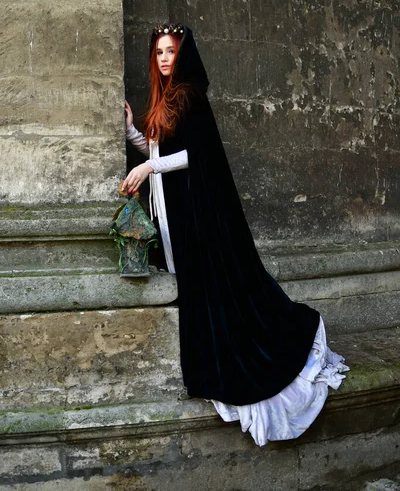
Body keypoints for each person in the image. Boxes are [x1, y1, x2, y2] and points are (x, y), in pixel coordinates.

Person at [123, 23, 348, 447]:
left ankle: (269, 350)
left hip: (196, 217)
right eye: (159, 53)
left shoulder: (189, 96)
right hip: (176, 214)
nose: (165, 58)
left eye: (171, 51)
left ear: (183, 54)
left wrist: (149, 167)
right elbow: (159, 153)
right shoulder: (165, 99)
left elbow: (196, 155)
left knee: (214, 292)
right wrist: (133, 132)